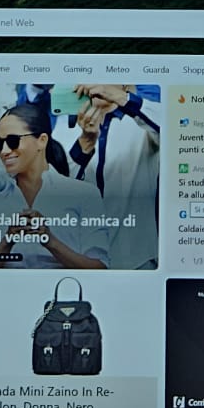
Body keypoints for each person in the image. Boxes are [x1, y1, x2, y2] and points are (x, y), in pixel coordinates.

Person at [0, 95, 109, 269]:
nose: (4, 151)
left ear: (42, 140)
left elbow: (99, 268)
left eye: (13, 141)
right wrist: (7, 242)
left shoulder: (84, 195)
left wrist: (50, 241)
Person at [60, 82, 159, 269]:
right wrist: (85, 144)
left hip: (137, 259)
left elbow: (176, 130)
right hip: (85, 257)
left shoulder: (142, 122)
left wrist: (122, 98)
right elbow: (61, 188)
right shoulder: (67, 127)